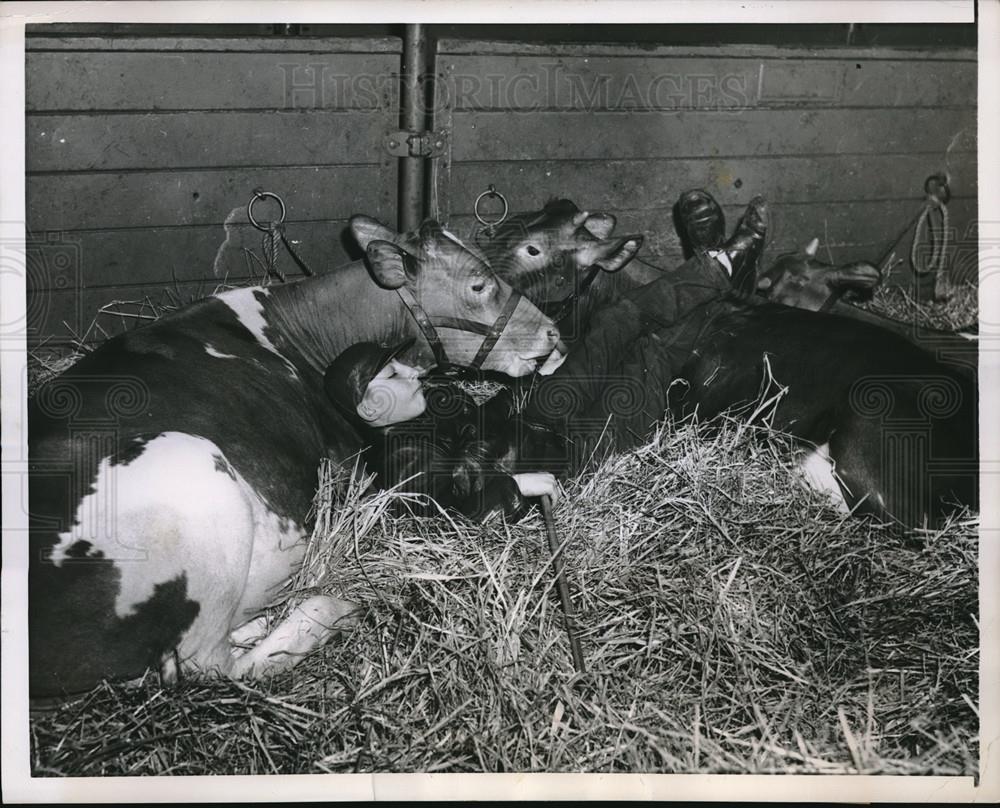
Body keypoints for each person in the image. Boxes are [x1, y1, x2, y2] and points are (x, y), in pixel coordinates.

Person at [324, 338, 562, 522]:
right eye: (394, 373)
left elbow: (484, 422)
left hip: (546, 436)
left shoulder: (420, 420)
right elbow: (450, 527)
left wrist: (537, 379)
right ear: (370, 408)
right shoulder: (402, 460)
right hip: (561, 455)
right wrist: (515, 488)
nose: (413, 371)